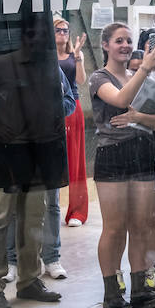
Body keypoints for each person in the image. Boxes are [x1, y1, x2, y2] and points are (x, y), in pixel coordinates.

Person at [0, 14, 70, 308]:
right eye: (34, 34)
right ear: (24, 36)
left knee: (33, 220)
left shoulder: (50, 66)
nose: (39, 40)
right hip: (7, 156)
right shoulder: (3, 65)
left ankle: (29, 281)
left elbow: (67, 98)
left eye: (44, 35)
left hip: (40, 155)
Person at [90, 23, 155, 308]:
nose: (124, 45)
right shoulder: (101, 77)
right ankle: (112, 294)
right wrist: (144, 70)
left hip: (143, 153)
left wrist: (139, 117)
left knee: (141, 224)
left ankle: (139, 289)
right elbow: (121, 100)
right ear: (106, 45)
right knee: (114, 228)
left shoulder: (137, 76)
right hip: (113, 154)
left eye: (128, 40)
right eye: (118, 41)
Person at [56, 15, 89, 230]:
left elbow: (81, 80)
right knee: (54, 160)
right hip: (49, 110)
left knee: (76, 160)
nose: (62, 33)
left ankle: (77, 210)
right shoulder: (44, 55)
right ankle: (52, 209)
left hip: (72, 107)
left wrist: (77, 57)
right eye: (58, 30)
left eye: (66, 30)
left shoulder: (74, 54)